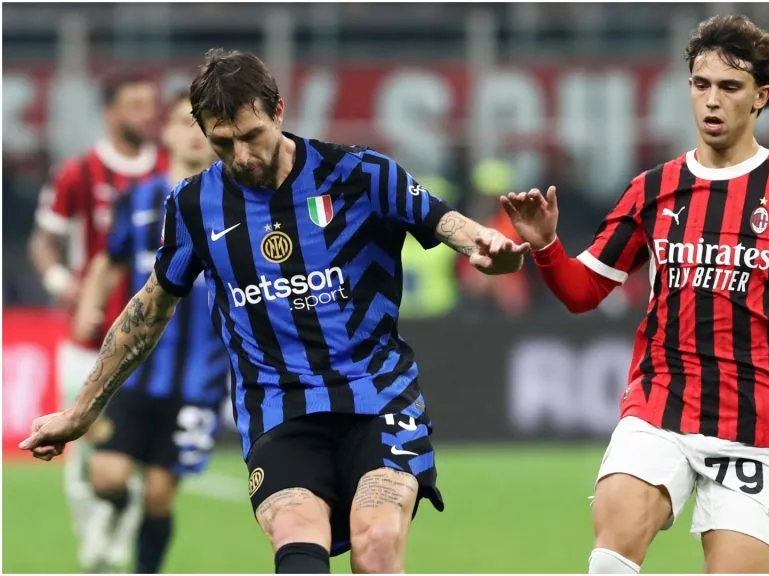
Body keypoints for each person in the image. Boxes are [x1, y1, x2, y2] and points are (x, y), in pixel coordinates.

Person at [20, 48, 529, 575]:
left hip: (377, 396)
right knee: (295, 539)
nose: (241, 156)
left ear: (279, 111)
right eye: (222, 142)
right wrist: (80, 411)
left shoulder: (361, 174)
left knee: (375, 545)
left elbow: (455, 228)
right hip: (278, 408)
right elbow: (149, 308)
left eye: (251, 135)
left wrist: (488, 250)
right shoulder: (194, 206)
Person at [500, 14, 769, 574]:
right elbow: (583, 291)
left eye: (729, 87)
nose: (711, 100)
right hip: (659, 408)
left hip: (755, 427)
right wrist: (547, 245)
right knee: (611, 552)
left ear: (761, 96)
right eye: (701, 84)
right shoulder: (653, 189)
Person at [70, 90, 228, 573]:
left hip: (201, 378)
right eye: (185, 122)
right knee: (107, 478)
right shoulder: (139, 201)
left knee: (160, 494)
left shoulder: (236, 204)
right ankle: (115, 510)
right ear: (167, 131)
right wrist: (90, 306)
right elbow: (109, 261)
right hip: (136, 370)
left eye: (204, 125)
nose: (194, 134)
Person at [27, 71, 167, 572]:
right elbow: (43, 238)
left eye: (149, 103)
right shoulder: (78, 172)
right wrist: (65, 283)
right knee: (75, 448)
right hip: (87, 337)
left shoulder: (172, 172)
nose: (144, 114)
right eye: (132, 104)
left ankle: (115, 548)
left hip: (152, 341)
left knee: (132, 454)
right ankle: (92, 536)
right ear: (109, 111)